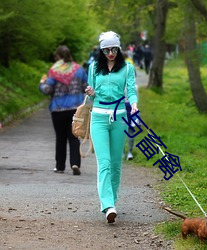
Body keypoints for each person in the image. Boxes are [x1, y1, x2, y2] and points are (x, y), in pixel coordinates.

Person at [85, 31, 138, 223]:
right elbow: (91, 96)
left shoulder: (127, 68)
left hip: (119, 117)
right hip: (98, 117)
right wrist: (90, 92)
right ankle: (107, 205)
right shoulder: (94, 68)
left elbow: (131, 90)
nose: (110, 53)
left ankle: (112, 201)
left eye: (114, 49)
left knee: (116, 163)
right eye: (106, 50)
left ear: (119, 48)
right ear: (101, 50)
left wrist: (134, 103)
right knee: (104, 162)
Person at [39, 45, 88, 175]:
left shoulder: (54, 71)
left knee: (60, 138)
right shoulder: (79, 70)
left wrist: (42, 83)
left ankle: (60, 166)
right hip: (75, 109)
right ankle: (75, 163)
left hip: (58, 109)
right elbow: (86, 87)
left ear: (58, 57)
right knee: (73, 137)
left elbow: (47, 90)